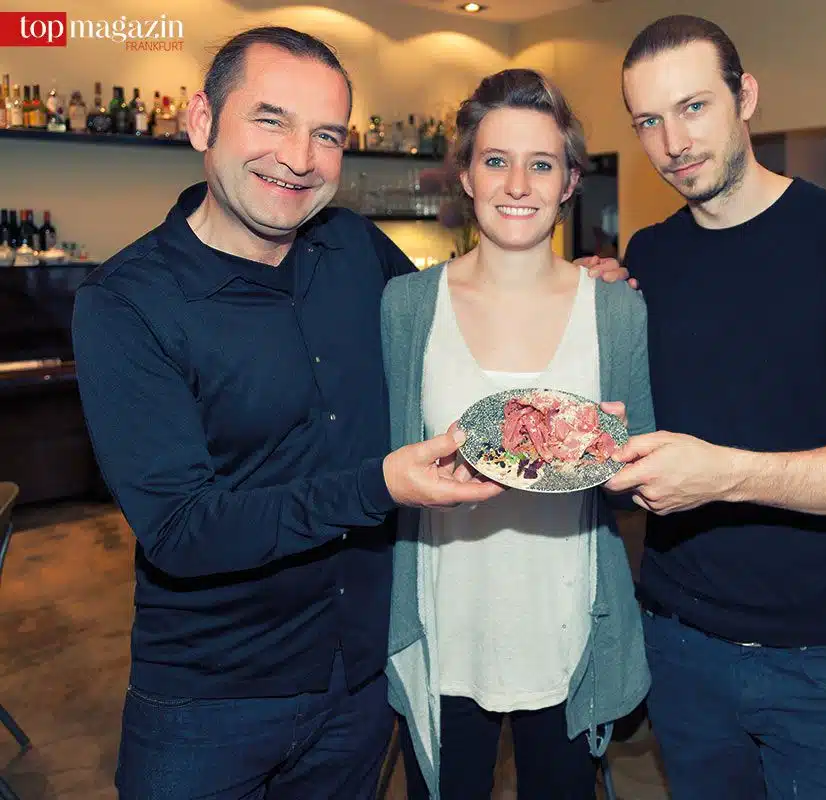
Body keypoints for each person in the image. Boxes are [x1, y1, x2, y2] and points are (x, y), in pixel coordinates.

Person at [70, 27, 626, 798]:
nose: (298, 157)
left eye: (325, 133)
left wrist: (572, 281)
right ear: (201, 122)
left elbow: (460, 318)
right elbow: (179, 530)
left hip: (361, 684)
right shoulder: (127, 303)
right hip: (213, 700)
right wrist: (381, 487)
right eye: (271, 120)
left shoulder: (357, 252)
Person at [603, 14, 826, 800]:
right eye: (649, 121)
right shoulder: (650, 255)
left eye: (694, 108)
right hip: (677, 639)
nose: (672, 142)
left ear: (744, 96)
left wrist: (725, 475)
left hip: (816, 655)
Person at [381, 68, 654, 799]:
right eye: (496, 160)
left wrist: (615, 457)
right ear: (466, 175)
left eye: (542, 164)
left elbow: (644, 486)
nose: (517, 185)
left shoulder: (615, 311)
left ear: (569, 182)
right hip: (445, 627)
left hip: (567, 629)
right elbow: (381, 471)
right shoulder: (406, 308)